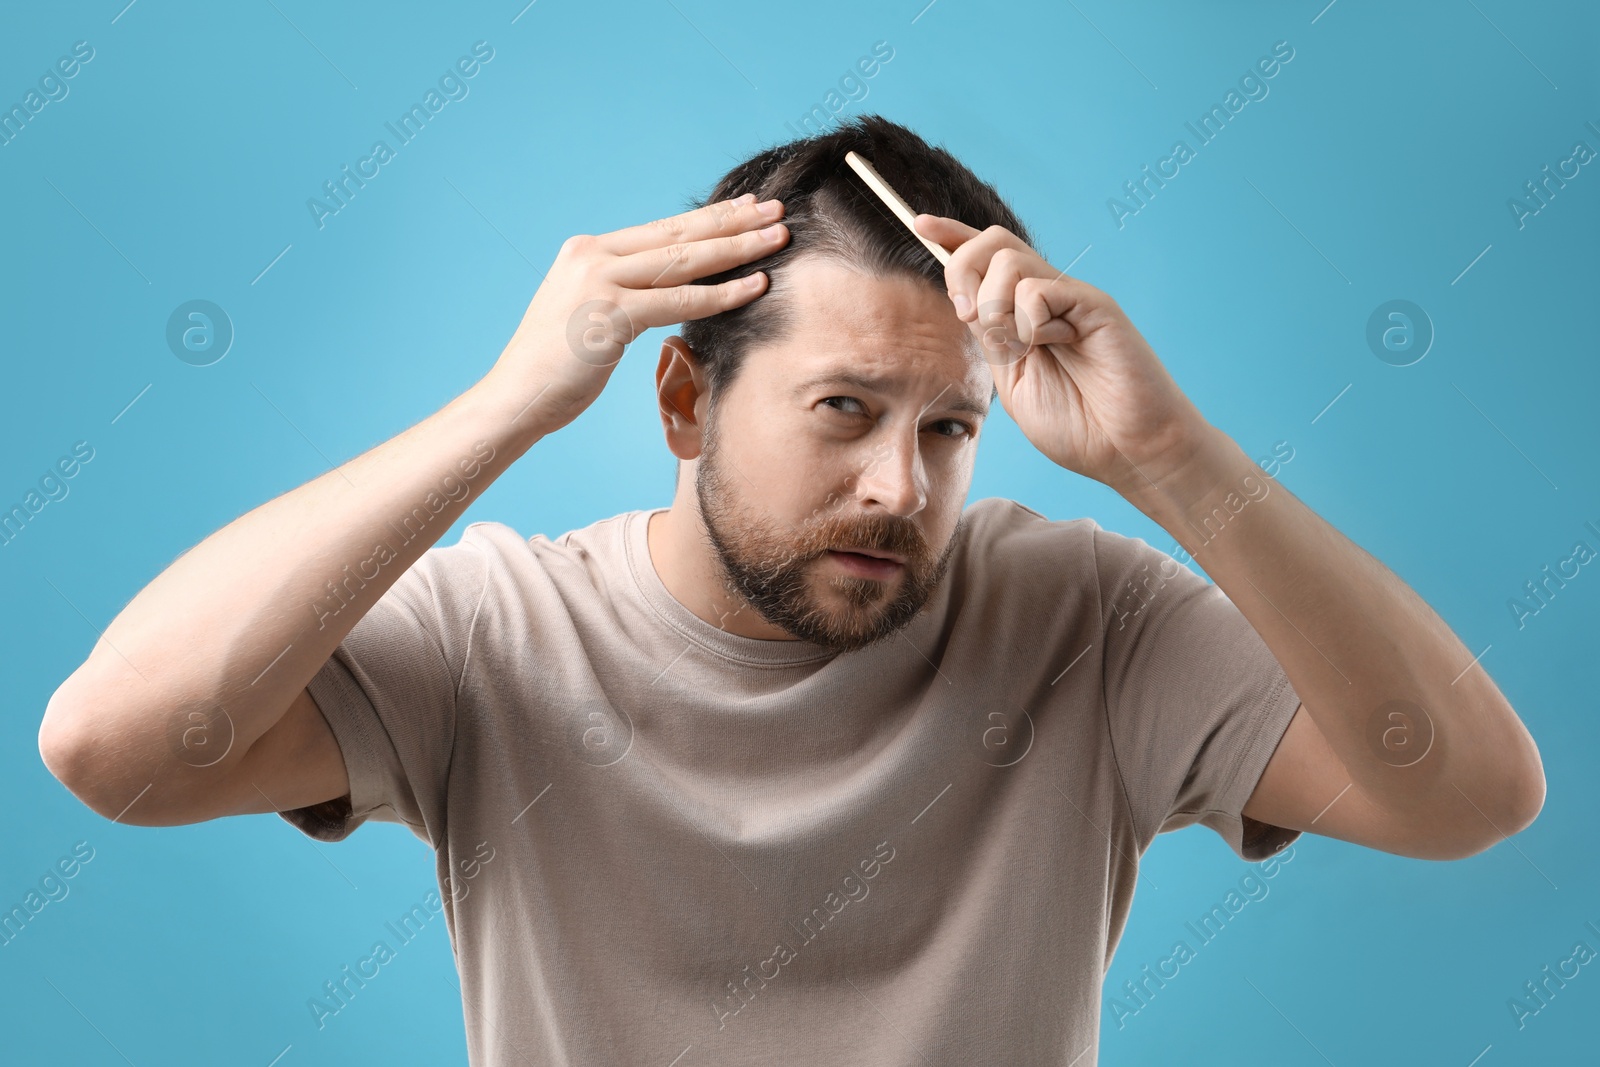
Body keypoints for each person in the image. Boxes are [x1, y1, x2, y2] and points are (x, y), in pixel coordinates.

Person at [38, 114, 1544, 1064]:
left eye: (950, 427)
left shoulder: (1085, 619)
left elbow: (1467, 794)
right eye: (844, 411)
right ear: (683, 404)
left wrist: (1167, 457)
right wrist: (503, 407)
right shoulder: (501, 632)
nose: (903, 485)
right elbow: (112, 749)